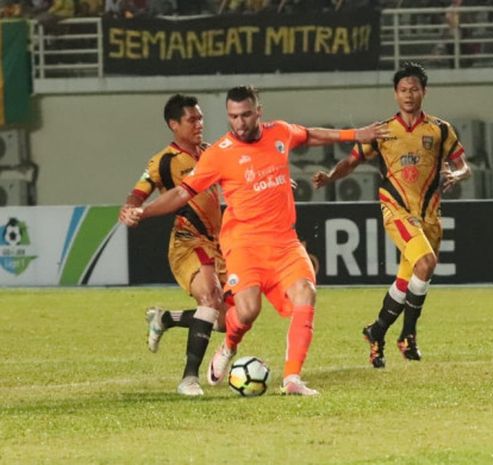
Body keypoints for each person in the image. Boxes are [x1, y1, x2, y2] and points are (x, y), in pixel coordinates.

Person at [120, 85, 388, 395]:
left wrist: (357, 135)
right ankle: (229, 346)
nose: (240, 122)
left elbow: (311, 135)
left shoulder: (280, 132)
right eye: (233, 116)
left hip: (284, 241)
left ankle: (292, 379)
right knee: (246, 311)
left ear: (258, 111)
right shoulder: (218, 154)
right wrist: (145, 211)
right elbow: (182, 192)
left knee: (306, 293)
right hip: (242, 243)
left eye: (246, 114)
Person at [312, 62, 471, 368]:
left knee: (406, 282)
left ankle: (376, 331)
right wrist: (331, 177)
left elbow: (463, 164)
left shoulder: (440, 129)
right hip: (396, 208)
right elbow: (352, 161)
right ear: (395, 94)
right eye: (403, 90)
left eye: (414, 89)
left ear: (424, 92)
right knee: (426, 263)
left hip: (429, 215)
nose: (408, 95)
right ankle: (408, 335)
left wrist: (458, 175)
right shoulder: (382, 131)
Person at [119, 94, 228, 396]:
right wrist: (131, 208)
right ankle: (188, 379)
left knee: (226, 321)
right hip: (187, 241)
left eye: (201, 118)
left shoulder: (212, 153)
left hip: (219, 244)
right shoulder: (163, 160)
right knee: (209, 298)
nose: (199, 124)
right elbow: (139, 192)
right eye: (192, 119)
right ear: (173, 124)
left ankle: (165, 318)